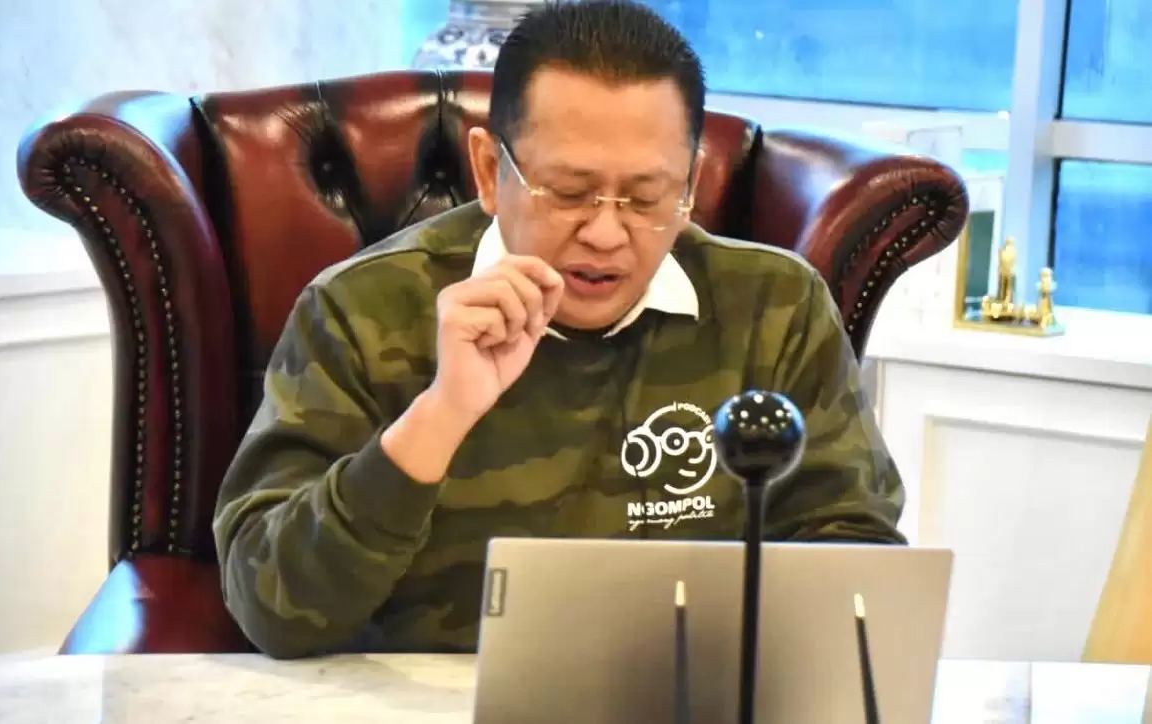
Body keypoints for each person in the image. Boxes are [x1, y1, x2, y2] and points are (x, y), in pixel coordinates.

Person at [213, 0, 906, 661]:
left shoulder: (773, 308)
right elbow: (272, 608)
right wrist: (441, 415)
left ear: (690, 185)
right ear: (490, 171)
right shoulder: (362, 309)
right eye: (570, 193)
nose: (605, 233)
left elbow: (854, 569)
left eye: (646, 197)